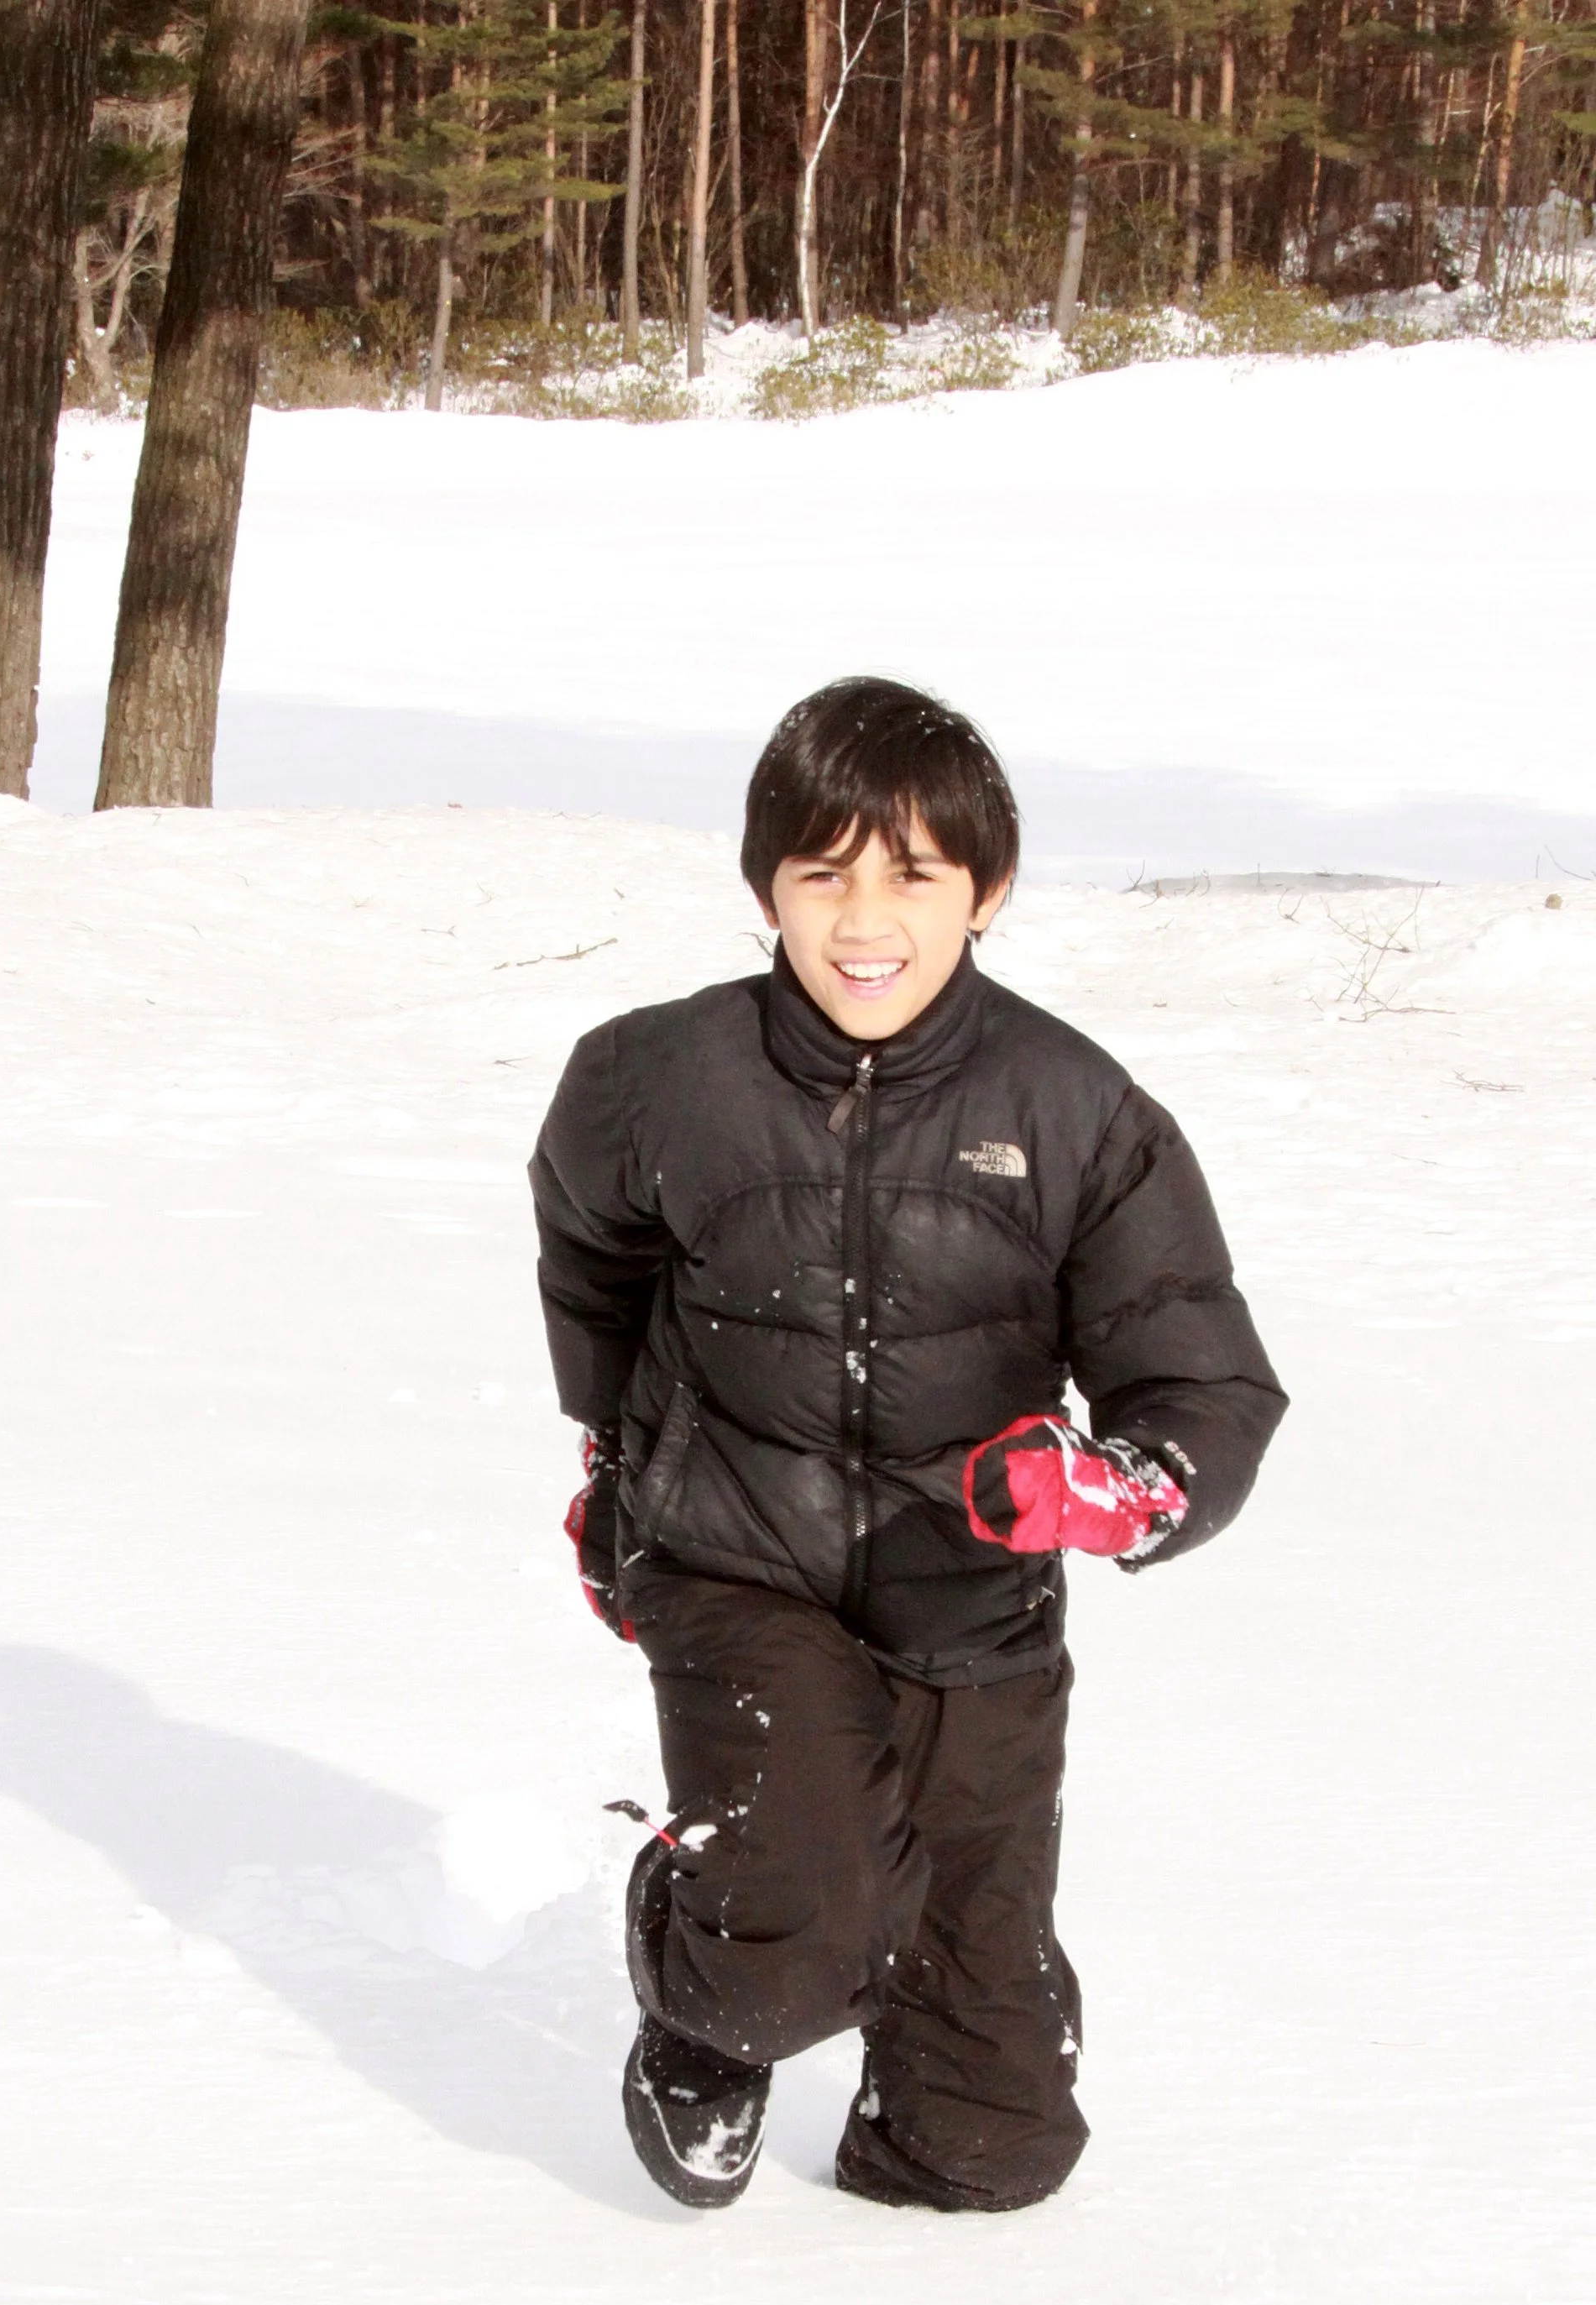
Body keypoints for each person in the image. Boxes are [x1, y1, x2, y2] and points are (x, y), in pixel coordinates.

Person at [529, 678, 1285, 2213]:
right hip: (738, 1560)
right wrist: (616, 1459)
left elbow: (1201, 1378)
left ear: (985, 892)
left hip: (973, 1597)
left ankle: (914, 2234)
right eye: (824, 874)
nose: (864, 921)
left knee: (989, 2143)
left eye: (914, 875)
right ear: (767, 890)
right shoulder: (655, 1079)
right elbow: (592, 1250)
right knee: (804, 1928)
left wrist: (1123, 1490)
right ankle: (709, 1987)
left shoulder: (1076, 1112)